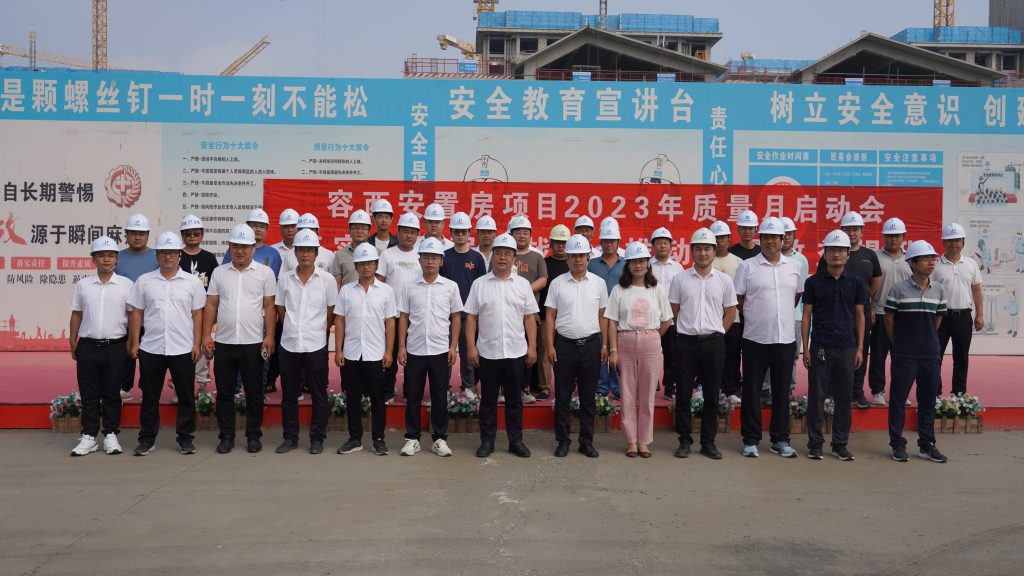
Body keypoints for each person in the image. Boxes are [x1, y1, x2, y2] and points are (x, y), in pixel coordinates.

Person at [127, 232, 206, 456]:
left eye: (172, 252)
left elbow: (198, 314)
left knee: (186, 396)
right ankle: (147, 439)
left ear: (180, 255)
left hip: (183, 348)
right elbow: (136, 312)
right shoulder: (145, 281)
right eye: (163, 252)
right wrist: (135, 342)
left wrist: (197, 343)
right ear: (157, 255)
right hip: (151, 347)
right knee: (149, 397)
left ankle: (185, 439)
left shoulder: (192, 282)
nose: (168, 257)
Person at [203, 224, 277, 455]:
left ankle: (253, 436)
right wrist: (206, 335)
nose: (240, 251)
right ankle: (226, 436)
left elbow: (269, 306)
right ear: (230, 247)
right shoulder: (219, 272)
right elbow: (211, 304)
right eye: (235, 246)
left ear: (253, 247)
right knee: (225, 393)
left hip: (253, 342)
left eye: (245, 246)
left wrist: (270, 336)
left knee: (254, 392)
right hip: (224, 342)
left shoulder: (265, 273)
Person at [464, 233, 538, 459]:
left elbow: (529, 317)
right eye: (499, 253)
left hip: (516, 351)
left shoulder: (523, 285)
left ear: (514, 258)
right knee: (488, 400)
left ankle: (516, 441)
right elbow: (471, 318)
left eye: (507, 254)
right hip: (488, 352)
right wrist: (471, 347)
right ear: (493, 256)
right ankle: (487, 441)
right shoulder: (479, 284)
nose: (503, 258)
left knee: (514, 400)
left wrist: (532, 347)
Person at [734, 217, 803, 458]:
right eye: (766, 237)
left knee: (781, 391)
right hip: (755, 338)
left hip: (785, 338)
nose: (770, 241)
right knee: (752, 391)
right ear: (760, 239)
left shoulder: (794, 267)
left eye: (775, 237)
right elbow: (739, 299)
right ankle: (751, 440)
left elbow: (795, 297)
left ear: (783, 240)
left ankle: (780, 439)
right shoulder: (747, 267)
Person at [668, 228, 737, 461]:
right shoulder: (680, 279)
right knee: (683, 394)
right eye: (698, 248)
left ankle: (708, 442)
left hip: (714, 343)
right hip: (686, 343)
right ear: (692, 251)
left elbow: (730, 312)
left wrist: (718, 332)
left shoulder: (724, 280)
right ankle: (684, 441)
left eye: (707, 249)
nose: (703, 253)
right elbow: (675, 311)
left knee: (712, 395)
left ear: (714, 251)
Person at [801, 230, 868, 461]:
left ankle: (840, 444)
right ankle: (815, 444)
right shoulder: (813, 282)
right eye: (831, 250)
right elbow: (806, 316)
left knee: (843, 398)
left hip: (847, 347)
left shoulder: (856, 283)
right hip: (820, 346)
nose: (836, 254)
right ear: (825, 254)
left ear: (848, 254)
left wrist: (860, 348)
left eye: (840, 250)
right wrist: (806, 348)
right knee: (817, 397)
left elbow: (860, 316)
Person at [274, 229, 337, 455]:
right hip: (289, 344)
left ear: (316, 253)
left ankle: (317, 438)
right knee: (289, 395)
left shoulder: (327, 280)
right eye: (301, 250)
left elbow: (331, 310)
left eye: (310, 250)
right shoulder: (285, 278)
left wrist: (318, 329)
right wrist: (292, 328)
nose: (305, 254)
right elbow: (280, 308)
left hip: (316, 344)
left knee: (319, 394)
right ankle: (290, 438)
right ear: (295, 252)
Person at [397, 237, 462, 457]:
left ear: (441, 261)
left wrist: (453, 346)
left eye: (434, 257)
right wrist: (401, 347)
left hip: (440, 350)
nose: (430, 261)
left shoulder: (450, 287)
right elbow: (403, 317)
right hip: (414, 350)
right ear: (420, 260)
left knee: (439, 397)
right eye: (426, 257)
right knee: (413, 397)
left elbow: (456, 317)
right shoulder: (409, 286)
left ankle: (439, 439)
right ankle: (412, 438)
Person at [884, 240, 948, 463]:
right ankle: (897, 444)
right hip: (904, 354)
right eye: (925, 259)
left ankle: (926, 444)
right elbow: (889, 320)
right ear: (912, 263)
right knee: (898, 400)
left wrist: (926, 340)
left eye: (933, 259)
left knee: (928, 400)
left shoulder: (939, 290)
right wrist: (899, 344)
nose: (931, 263)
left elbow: (937, 320)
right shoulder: (897, 289)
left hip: (930, 354)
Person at [68, 236, 132, 457]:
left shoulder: (126, 285)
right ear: (93, 259)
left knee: (112, 393)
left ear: (117, 259)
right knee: (89, 394)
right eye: (101, 255)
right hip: (87, 346)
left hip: (116, 346)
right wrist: (72, 340)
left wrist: (133, 341)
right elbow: (77, 313)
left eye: (111, 255)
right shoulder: (83, 285)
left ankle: (111, 434)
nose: (106, 259)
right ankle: (89, 436)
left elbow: (133, 316)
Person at [607, 241, 672, 459]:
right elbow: (611, 321)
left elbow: (667, 320)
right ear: (627, 264)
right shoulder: (619, 290)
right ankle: (631, 441)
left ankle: (644, 441)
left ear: (647, 263)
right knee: (627, 394)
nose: (638, 265)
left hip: (650, 341)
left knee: (647, 395)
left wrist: (651, 337)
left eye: (642, 261)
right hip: (624, 341)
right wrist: (613, 349)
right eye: (634, 262)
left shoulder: (656, 289)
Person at [545, 234, 607, 458]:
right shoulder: (557, 283)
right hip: (564, 346)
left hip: (591, 345)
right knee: (562, 395)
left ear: (589, 257)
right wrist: (550, 345)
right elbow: (550, 316)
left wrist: (605, 345)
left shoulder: (599, 284)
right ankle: (563, 441)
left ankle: (586, 441)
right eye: (573, 256)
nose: (578, 260)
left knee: (588, 397)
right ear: (567, 258)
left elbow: (603, 316)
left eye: (582, 255)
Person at [334, 243, 398, 456]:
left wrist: (389, 351)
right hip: (351, 353)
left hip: (375, 353)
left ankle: (378, 439)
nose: (366, 267)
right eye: (361, 263)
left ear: (376, 265)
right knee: (352, 398)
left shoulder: (386, 291)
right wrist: (338, 350)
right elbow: (340, 320)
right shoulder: (346, 290)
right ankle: (355, 439)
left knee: (377, 399)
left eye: (370, 263)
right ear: (356, 266)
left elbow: (390, 322)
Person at [816, 212, 881, 409]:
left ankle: (856, 392)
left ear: (862, 232)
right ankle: (830, 391)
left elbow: (875, 280)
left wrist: (862, 298)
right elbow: (821, 280)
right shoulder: (829, 255)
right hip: (835, 309)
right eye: (847, 229)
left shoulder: (870, 255)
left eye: (855, 229)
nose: (852, 233)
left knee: (861, 349)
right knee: (832, 350)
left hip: (861, 310)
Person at [933, 222, 984, 395]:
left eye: (957, 240)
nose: (953, 243)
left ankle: (959, 394)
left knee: (961, 357)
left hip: (963, 316)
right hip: (940, 317)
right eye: (949, 240)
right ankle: (935, 393)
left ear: (963, 242)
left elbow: (976, 289)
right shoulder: (935, 265)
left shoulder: (971, 264)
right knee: (935, 356)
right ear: (943, 242)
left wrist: (980, 315)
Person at [378, 211, 424, 404]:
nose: (409, 236)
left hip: (415, 316)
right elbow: (379, 283)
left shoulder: (422, 256)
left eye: (413, 232)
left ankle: (409, 392)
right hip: (392, 315)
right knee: (390, 355)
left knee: (412, 358)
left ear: (418, 234)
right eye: (405, 231)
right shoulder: (387, 254)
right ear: (398, 232)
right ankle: (388, 391)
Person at [440, 212, 486, 400]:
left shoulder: (476, 258)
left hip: (469, 315)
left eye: (464, 231)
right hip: (447, 314)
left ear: (469, 233)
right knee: (446, 352)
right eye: (457, 231)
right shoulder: (444, 257)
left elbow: (482, 287)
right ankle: (443, 386)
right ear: (450, 232)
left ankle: (468, 386)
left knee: (468, 353)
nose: (460, 235)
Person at [868, 218, 912, 407]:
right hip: (880, 312)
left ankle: (900, 392)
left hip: (904, 315)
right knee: (878, 356)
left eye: (897, 235)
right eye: (889, 235)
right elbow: (868, 284)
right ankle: (878, 391)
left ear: (904, 237)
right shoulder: (874, 257)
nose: (893, 239)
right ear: (883, 236)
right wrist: (870, 306)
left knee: (902, 357)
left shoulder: (911, 258)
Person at [114, 213, 158, 401]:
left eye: (141, 233)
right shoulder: (117, 257)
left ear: (148, 234)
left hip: (151, 317)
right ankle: (124, 387)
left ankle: (147, 389)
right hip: (124, 317)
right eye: (133, 233)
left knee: (149, 356)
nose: (137, 237)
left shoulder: (157, 257)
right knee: (126, 354)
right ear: (126, 234)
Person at [508, 215, 548, 404]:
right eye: (518, 232)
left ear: (530, 236)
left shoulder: (536, 256)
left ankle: (525, 388)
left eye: (525, 232)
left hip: (529, 313)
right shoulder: (504, 253)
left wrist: (523, 290)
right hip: (507, 312)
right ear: (512, 234)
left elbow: (543, 279)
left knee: (529, 349)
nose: (522, 236)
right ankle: (505, 387)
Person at [178, 214, 218, 397]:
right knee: (181, 352)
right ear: (182, 235)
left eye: (196, 233)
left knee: (203, 350)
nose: (192, 236)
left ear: (202, 234)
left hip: (203, 312)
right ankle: (180, 389)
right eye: (188, 233)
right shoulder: (176, 256)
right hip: (181, 313)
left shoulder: (209, 258)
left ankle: (202, 389)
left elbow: (215, 289)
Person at [588, 219, 625, 399]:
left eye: (612, 241)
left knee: (619, 350)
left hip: (621, 315)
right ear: (600, 242)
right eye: (606, 241)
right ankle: (601, 387)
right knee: (601, 350)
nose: (609, 244)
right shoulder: (591, 264)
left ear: (618, 242)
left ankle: (617, 387)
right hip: (598, 313)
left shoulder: (626, 264)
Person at [710, 219, 744, 405]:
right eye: (716, 237)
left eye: (722, 237)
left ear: (729, 238)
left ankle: (730, 389)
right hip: (710, 318)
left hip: (734, 318)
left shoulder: (738, 262)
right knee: (710, 356)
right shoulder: (706, 259)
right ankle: (709, 388)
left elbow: (742, 292)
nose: (719, 241)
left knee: (732, 355)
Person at [538, 224, 572, 401]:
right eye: (558, 242)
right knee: (545, 353)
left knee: (567, 355)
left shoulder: (573, 264)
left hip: (568, 317)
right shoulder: (544, 263)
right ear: (551, 243)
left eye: (564, 243)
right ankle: (544, 387)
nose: (561, 246)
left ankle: (567, 387)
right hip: (546, 316)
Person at [649, 227, 684, 400]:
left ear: (671, 246)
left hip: (670, 318)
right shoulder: (646, 266)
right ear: (653, 246)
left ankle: (670, 387)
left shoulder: (678, 268)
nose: (662, 246)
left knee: (672, 354)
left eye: (665, 243)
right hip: (649, 318)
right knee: (649, 353)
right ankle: (649, 383)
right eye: (659, 243)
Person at [223, 208, 282, 277]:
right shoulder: (234, 251)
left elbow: (274, 280)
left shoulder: (273, 253)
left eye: (262, 227)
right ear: (247, 227)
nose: (258, 229)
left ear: (266, 230)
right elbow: (225, 273)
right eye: (254, 225)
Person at [329, 209, 373, 287]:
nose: (359, 231)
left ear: (369, 232)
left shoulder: (378, 254)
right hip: (347, 294)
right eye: (355, 228)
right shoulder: (340, 255)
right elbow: (337, 284)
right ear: (349, 230)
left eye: (363, 228)